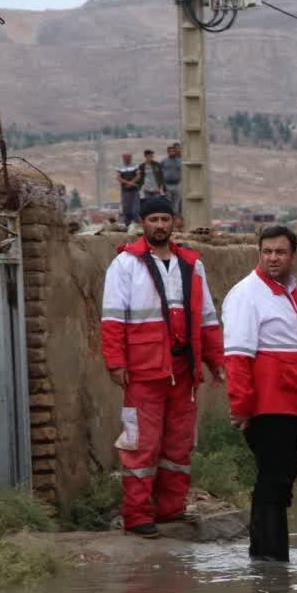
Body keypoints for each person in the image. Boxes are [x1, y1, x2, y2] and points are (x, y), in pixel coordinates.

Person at [100, 196, 225, 538]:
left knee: (178, 445)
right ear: (143, 223)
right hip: (144, 370)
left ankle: (170, 509)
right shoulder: (125, 265)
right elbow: (112, 319)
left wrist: (217, 361)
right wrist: (115, 362)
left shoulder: (191, 264)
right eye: (153, 219)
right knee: (141, 443)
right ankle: (137, 516)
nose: (159, 225)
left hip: (183, 370)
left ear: (175, 222)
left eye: (164, 219)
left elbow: (208, 320)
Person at [222, 225, 297, 562]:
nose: (273, 258)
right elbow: (237, 357)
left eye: (280, 252)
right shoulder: (247, 294)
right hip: (267, 403)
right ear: (259, 253)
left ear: (293, 256)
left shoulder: (291, 292)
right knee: (273, 481)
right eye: (267, 251)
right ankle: (269, 561)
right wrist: (242, 407)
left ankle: (269, 560)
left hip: (290, 401)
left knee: (281, 481)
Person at [117, 152, 141, 227]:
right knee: (126, 210)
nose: (127, 159)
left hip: (134, 191)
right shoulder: (120, 167)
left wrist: (132, 182)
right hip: (125, 191)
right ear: (123, 158)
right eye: (125, 157)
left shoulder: (135, 165)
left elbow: (138, 175)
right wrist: (127, 182)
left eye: (128, 157)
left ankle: (136, 225)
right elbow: (119, 178)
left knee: (135, 210)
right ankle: (127, 225)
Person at [161, 144, 182, 219]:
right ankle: (168, 217)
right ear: (168, 152)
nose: (172, 153)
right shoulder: (164, 161)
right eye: (170, 151)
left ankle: (176, 218)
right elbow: (160, 173)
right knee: (168, 202)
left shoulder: (180, 161)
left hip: (177, 184)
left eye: (173, 151)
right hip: (167, 185)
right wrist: (162, 185)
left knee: (176, 203)